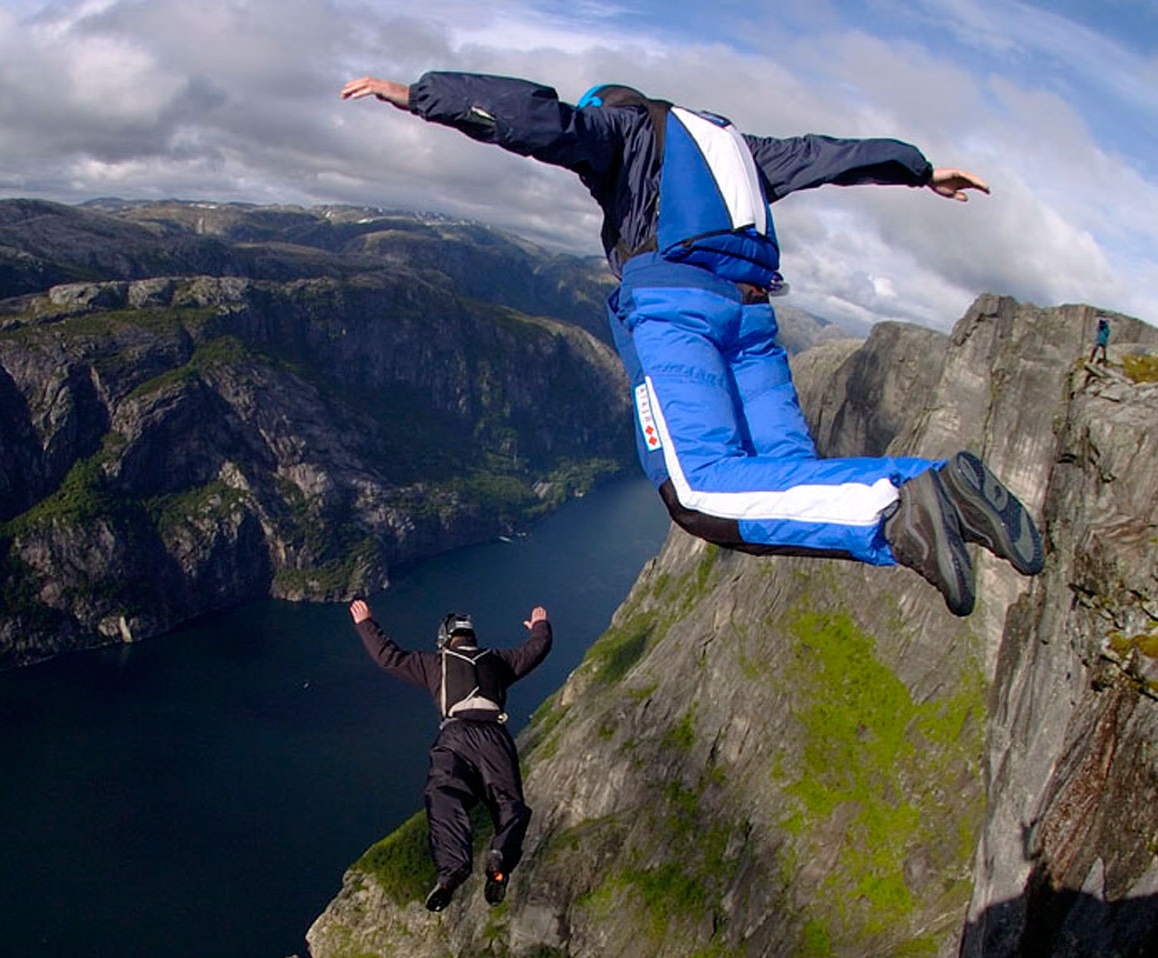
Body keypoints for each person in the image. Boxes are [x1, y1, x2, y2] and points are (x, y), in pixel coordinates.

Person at [341, 72, 1042, 617]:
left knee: (701, 491)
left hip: (680, 313)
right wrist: (916, 168)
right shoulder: (737, 146)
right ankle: (944, 497)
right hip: (754, 322)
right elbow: (827, 156)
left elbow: (541, 121)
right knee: (785, 487)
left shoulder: (626, 128)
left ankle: (912, 493)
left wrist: (422, 97)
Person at [350, 598, 551, 911]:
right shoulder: (498, 660)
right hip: (494, 737)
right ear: (472, 637)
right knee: (508, 803)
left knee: (444, 795)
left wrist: (366, 624)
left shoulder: (434, 663)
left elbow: (388, 657)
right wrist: (539, 625)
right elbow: (537, 649)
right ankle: (499, 859)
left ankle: (451, 871)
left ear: (445, 639)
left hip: (455, 736)